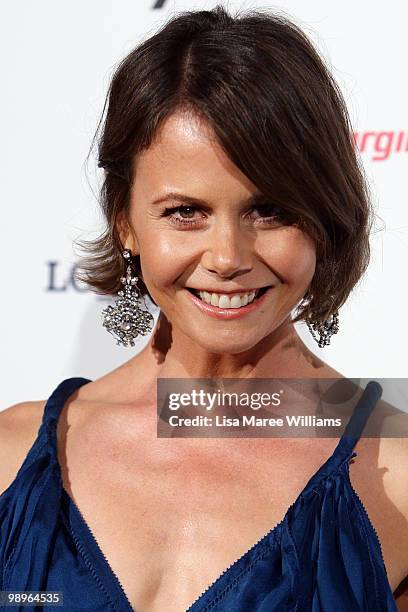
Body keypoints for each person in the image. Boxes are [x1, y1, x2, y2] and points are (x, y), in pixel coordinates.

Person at [1, 5, 407, 611]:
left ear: (324, 219)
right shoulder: (11, 456)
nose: (227, 257)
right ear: (126, 223)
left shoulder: (399, 478)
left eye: (270, 211)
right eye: (185, 212)